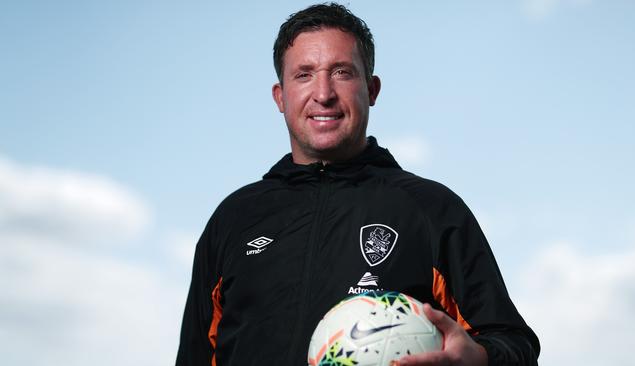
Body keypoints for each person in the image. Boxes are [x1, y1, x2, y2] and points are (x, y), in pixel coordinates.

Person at [176, 3, 540, 365]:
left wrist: (479, 358)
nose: (323, 93)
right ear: (280, 97)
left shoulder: (432, 210)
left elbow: (514, 344)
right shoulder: (235, 218)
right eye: (304, 75)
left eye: (341, 72)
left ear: (372, 89)